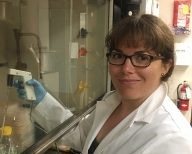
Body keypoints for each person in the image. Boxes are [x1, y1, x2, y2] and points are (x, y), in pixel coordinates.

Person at [14, 14, 192, 154]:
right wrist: (42, 101)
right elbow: (80, 135)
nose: (126, 68)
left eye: (142, 57)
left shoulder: (174, 139)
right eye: (118, 55)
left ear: (166, 66)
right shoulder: (113, 101)